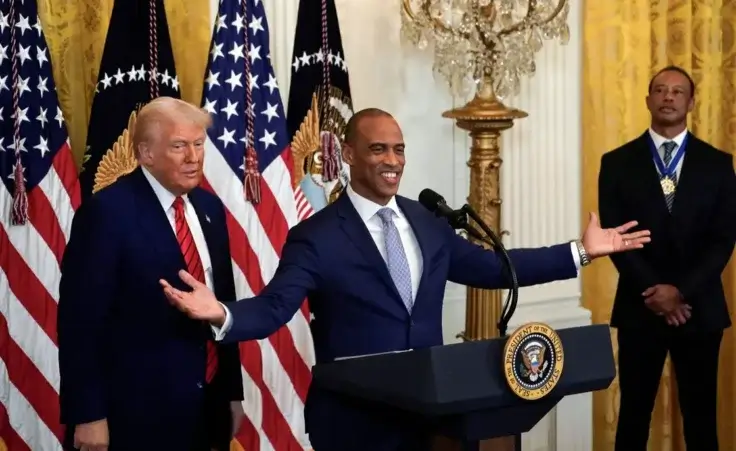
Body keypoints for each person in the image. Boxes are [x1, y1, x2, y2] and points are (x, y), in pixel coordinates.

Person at [160, 108, 650, 451]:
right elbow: (274, 307)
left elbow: (495, 268)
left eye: (398, 149)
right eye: (378, 149)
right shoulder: (316, 236)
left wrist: (582, 251)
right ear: (348, 154)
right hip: (355, 420)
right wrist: (223, 313)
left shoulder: (427, 221)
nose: (392, 160)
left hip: (431, 415)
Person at [58, 97, 245, 451]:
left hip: (206, 408)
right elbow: (80, 323)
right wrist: (89, 414)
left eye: (199, 144)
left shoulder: (209, 207)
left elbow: (222, 305)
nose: (194, 157)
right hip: (134, 415)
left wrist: (231, 393)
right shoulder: (106, 214)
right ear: (145, 153)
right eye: (179, 146)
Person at [598, 66, 736, 451]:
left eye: (678, 91)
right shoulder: (617, 162)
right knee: (633, 420)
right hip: (640, 307)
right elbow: (616, 237)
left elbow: (723, 239)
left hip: (699, 308)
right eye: (660, 90)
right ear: (648, 100)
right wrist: (655, 292)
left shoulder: (718, 164)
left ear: (691, 102)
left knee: (701, 423)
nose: (668, 97)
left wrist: (680, 292)